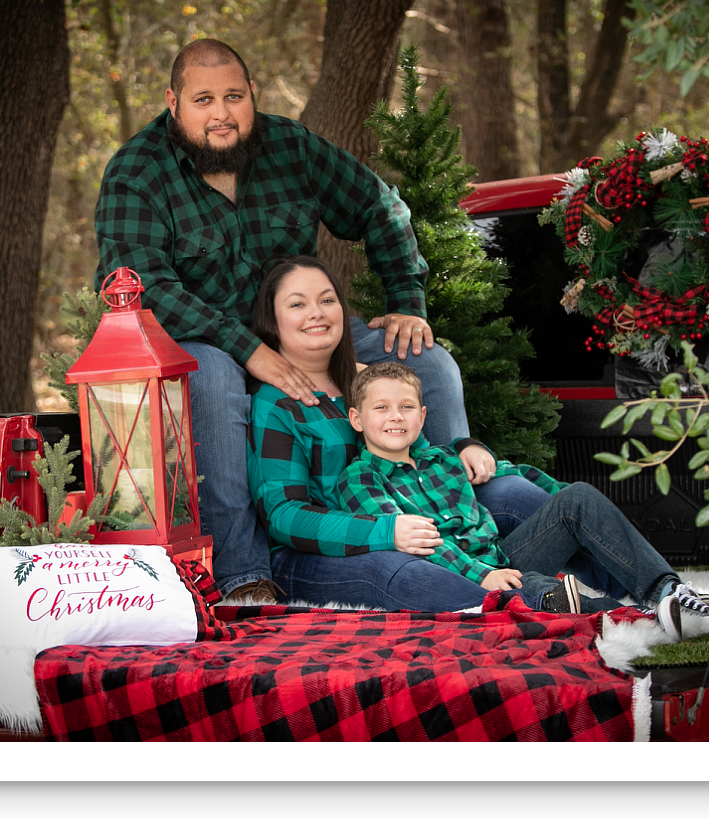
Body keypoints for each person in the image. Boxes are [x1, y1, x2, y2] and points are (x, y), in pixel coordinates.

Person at [95, 40, 521, 603]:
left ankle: (469, 538)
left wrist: (407, 301)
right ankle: (244, 576)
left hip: (307, 322)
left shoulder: (290, 147)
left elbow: (379, 206)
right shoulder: (137, 171)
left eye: (234, 96)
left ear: (253, 96)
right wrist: (249, 350)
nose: (221, 114)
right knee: (215, 381)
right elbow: (144, 287)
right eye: (204, 99)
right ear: (174, 103)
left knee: (429, 362)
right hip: (209, 342)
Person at [336, 361, 709, 638]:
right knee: (549, 593)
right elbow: (422, 543)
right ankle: (636, 617)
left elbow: (515, 473)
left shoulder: (443, 459)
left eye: (406, 407)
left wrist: (573, 510)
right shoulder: (360, 478)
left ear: (422, 416)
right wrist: (481, 576)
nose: (396, 417)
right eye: (382, 408)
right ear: (357, 419)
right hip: (458, 579)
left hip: (503, 559)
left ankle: (668, 592)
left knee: (578, 496)